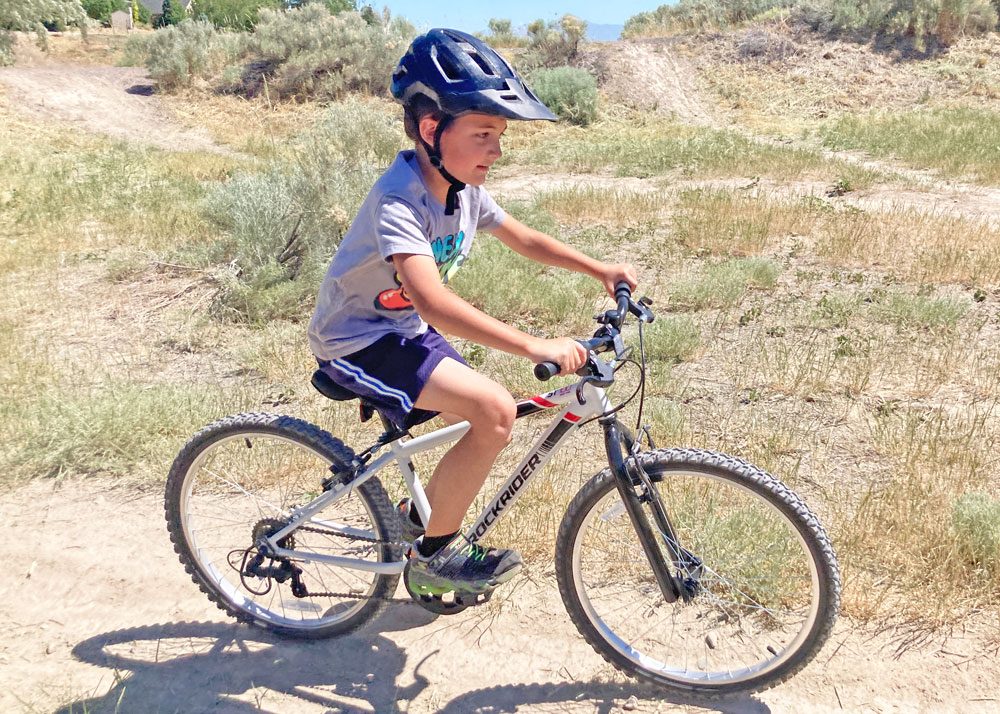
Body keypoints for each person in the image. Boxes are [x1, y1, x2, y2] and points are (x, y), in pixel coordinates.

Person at [308, 28, 637, 598]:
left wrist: (600, 269)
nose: (497, 150)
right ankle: (433, 558)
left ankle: (416, 528)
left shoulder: (461, 191)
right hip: (355, 341)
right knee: (491, 411)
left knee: (486, 414)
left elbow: (526, 238)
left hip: (404, 333)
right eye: (484, 133)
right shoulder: (398, 201)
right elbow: (435, 304)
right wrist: (535, 345)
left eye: (500, 134)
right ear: (432, 129)